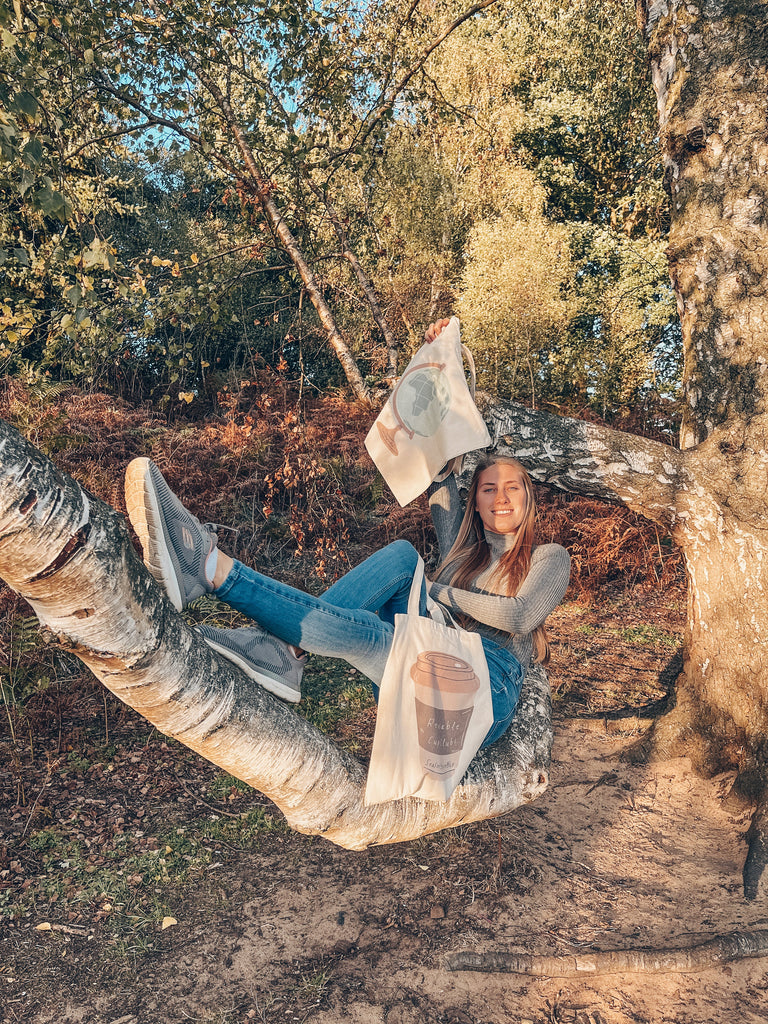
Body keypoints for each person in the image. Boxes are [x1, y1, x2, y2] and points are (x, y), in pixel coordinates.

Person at [124, 324, 570, 747]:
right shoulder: (462, 550)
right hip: (431, 664)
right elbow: (437, 468)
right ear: (475, 502)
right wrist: (442, 361)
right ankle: (285, 648)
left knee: (392, 606)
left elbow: (519, 617)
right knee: (398, 561)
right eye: (488, 489)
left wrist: (437, 593)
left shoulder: (548, 556)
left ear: (530, 499)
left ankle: (215, 573)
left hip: (485, 685)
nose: (501, 497)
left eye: (513, 488)